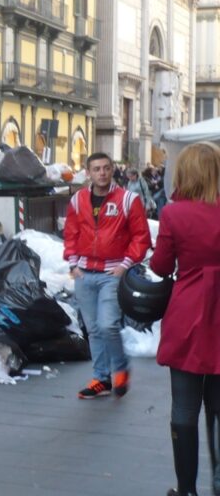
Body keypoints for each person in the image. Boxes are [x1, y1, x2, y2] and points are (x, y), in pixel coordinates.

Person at [149, 142, 220, 496]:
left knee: (184, 407)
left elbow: (161, 266)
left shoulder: (174, 214)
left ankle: (186, 490)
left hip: (189, 311)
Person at [63, 151, 151, 400]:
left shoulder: (128, 200)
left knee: (108, 324)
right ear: (88, 172)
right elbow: (71, 233)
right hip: (84, 273)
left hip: (112, 272)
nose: (101, 173)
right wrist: (72, 263)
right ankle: (101, 379)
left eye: (105, 168)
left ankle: (121, 369)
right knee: (92, 329)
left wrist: (125, 265)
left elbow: (141, 237)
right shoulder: (78, 200)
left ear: (112, 170)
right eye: (96, 169)